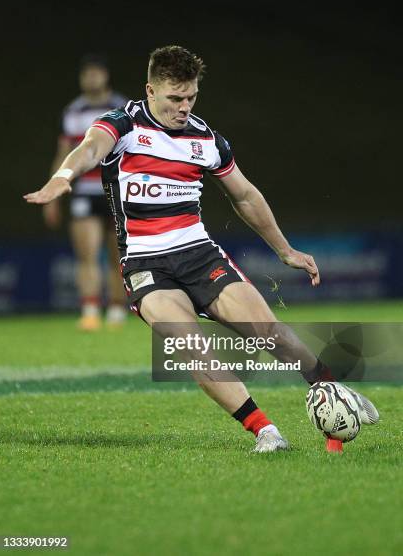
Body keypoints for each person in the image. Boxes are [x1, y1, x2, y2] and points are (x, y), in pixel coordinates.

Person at [25, 45, 379, 452]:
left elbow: (244, 196)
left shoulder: (206, 138)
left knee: (268, 333)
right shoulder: (123, 126)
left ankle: (335, 393)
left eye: (191, 97)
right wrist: (65, 175)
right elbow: (90, 147)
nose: (184, 106)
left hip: (200, 256)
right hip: (146, 265)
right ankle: (266, 431)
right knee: (190, 347)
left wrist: (286, 250)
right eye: (175, 98)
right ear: (150, 90)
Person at [43, 54, 128, 330]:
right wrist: (53, 191)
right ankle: (90, 310)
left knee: (118, 254)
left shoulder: (121, 108)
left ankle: (117, 311)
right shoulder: (73, 111)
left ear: (105, 75)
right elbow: (63, 154)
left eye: (96, 72)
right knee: (86, 252)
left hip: (116, 190)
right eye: (86, 73)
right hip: (84, 192)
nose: (91, 78)